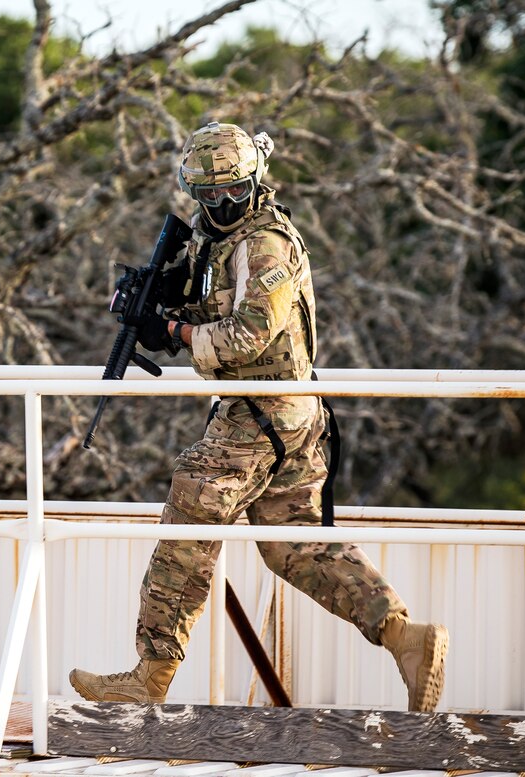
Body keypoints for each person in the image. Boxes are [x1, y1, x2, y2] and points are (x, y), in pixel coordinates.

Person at [69, 121, 449, 713]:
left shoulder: (264, 244)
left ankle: (151, 675)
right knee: (293, 547)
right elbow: (219, 307)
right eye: (208, 196)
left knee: (191, 509)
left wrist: (172, 330)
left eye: (232, 194)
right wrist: (161, 297)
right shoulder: (224, 240)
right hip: (281, 414)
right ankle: (406, 638)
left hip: (263, 411)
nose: (220, 206)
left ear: (255, 183)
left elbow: (248, 335)